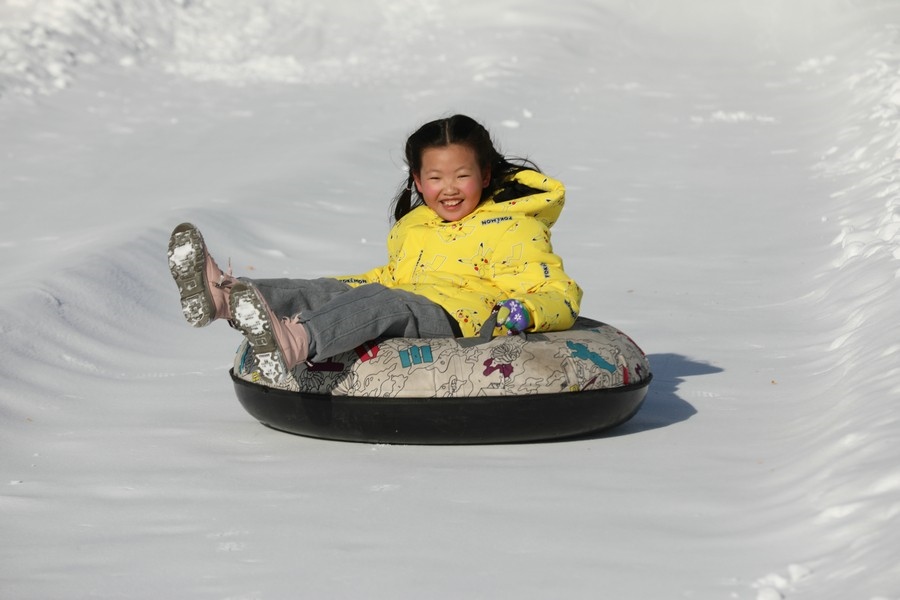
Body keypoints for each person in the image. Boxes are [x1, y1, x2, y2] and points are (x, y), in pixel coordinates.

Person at [168, 114, 582, 390]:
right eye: (436, 178)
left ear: (485, 175)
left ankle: (293, 342)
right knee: (329, 290)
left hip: (462, 317)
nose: (449, 189)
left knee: (382, 302)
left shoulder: (514, 227)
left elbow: (558, 293)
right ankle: (227, 296)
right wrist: (338, 287)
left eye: (462, 176)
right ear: (417, 181)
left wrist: (527, 311)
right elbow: (395, 277)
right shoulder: (416, 227)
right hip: (410, 298)